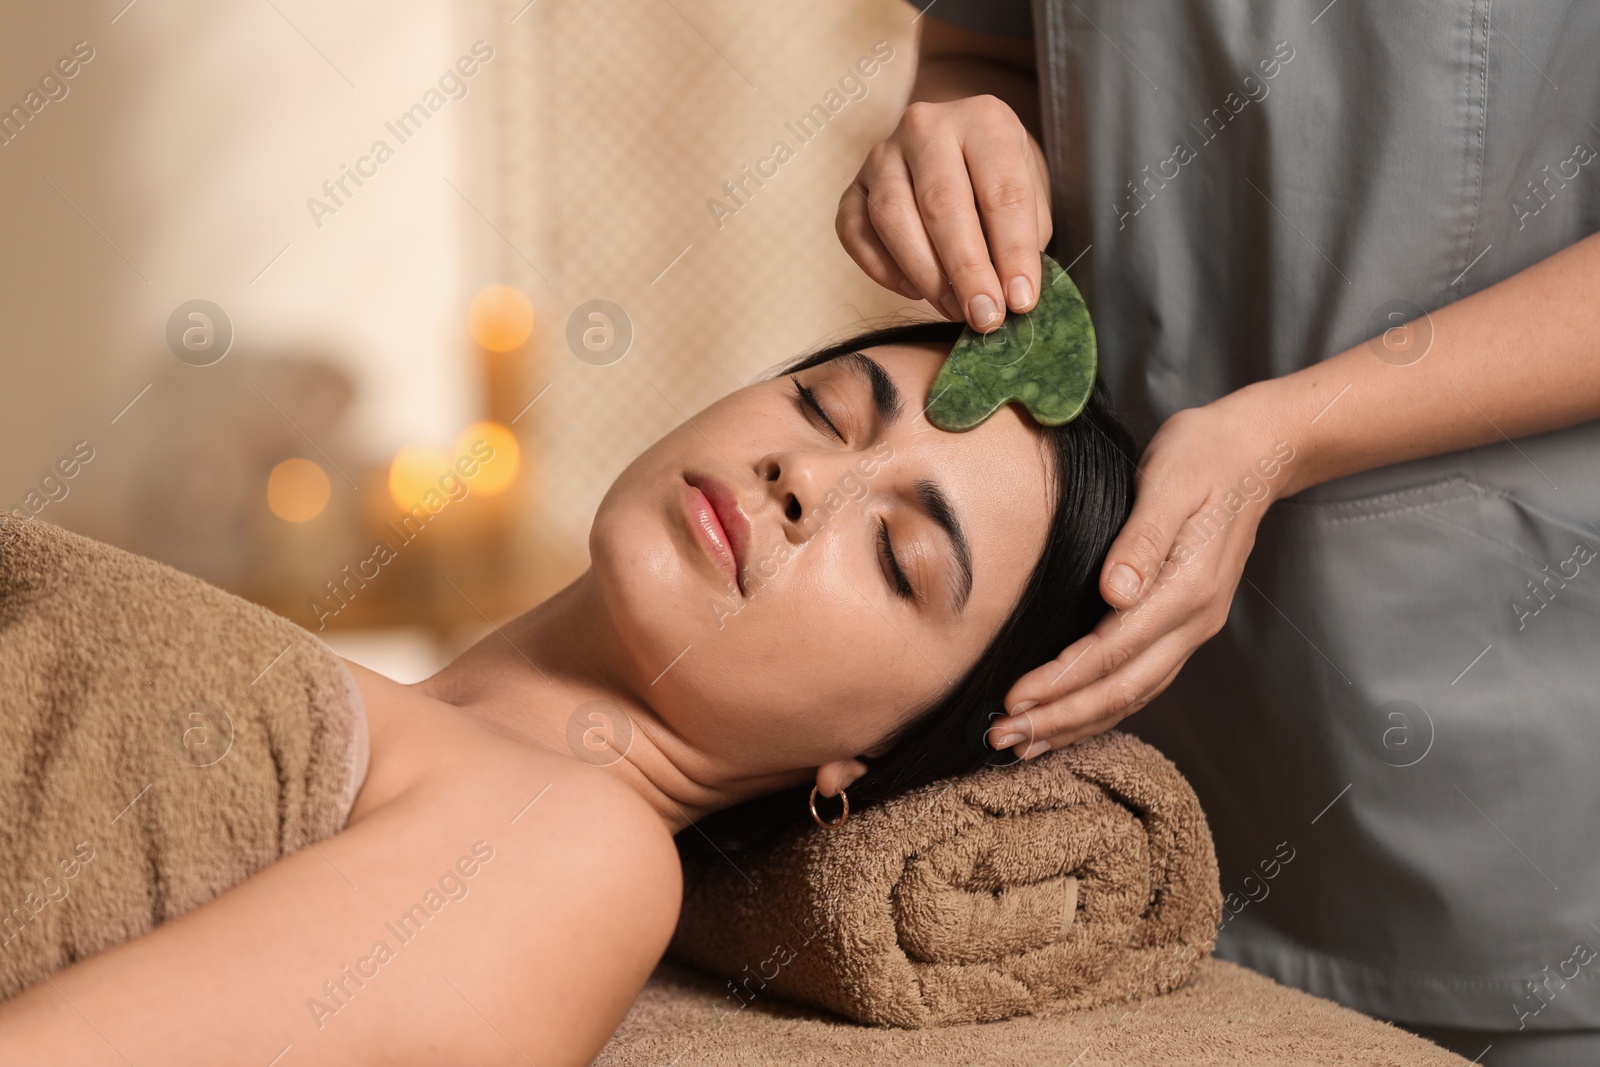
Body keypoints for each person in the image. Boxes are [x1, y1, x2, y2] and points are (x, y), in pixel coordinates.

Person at [0, 321, 1136, 1066]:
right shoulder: (381, 719)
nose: (808, 478)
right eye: (825, 408)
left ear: (872, 758)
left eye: (896, 557)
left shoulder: (580, 846)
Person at [839, 4, 1600, 1062]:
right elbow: (992, 44)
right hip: (1112, 770)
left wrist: (1289, 434)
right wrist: (956, 132)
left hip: (1496, 737)